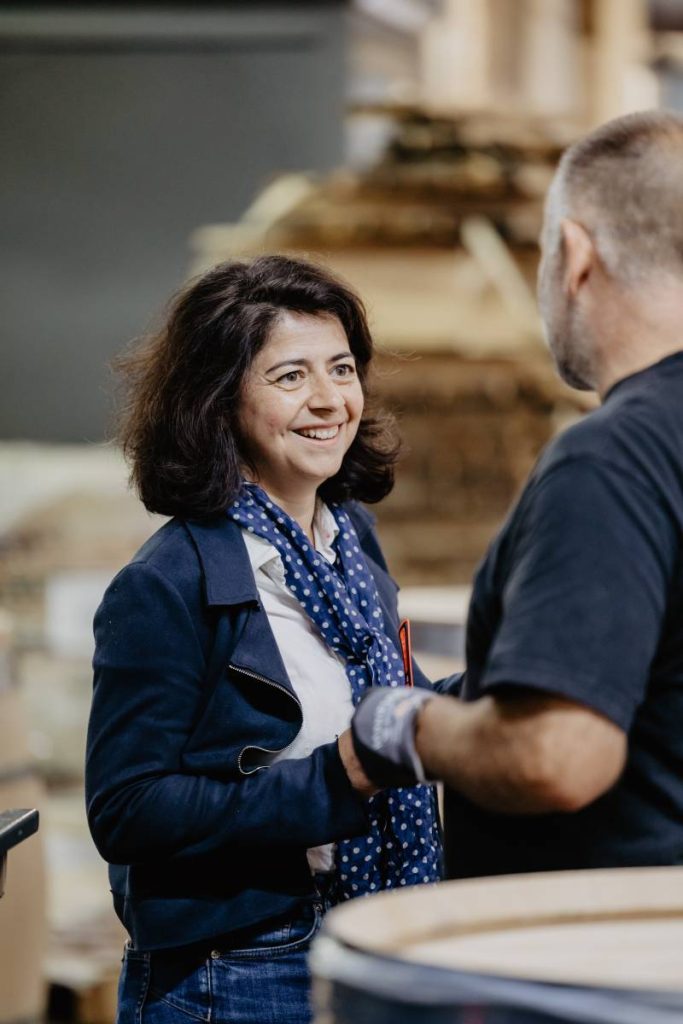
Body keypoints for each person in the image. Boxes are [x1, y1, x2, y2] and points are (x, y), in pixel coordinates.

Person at [85, 254, 444, 1024]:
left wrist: (489, 694)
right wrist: (337, 780)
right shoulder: (167, 583)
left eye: (341, 369)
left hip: (370, 932)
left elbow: (385, 703)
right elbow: (127, 810)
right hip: (240, 966)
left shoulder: (349, 543)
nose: (329, 400)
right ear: (218, 401)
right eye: (290, 377)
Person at [350, 110, 683, 879]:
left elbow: (554, 758)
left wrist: (400, 724)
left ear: (574, 255)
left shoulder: (612, 461)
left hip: (607, 938)